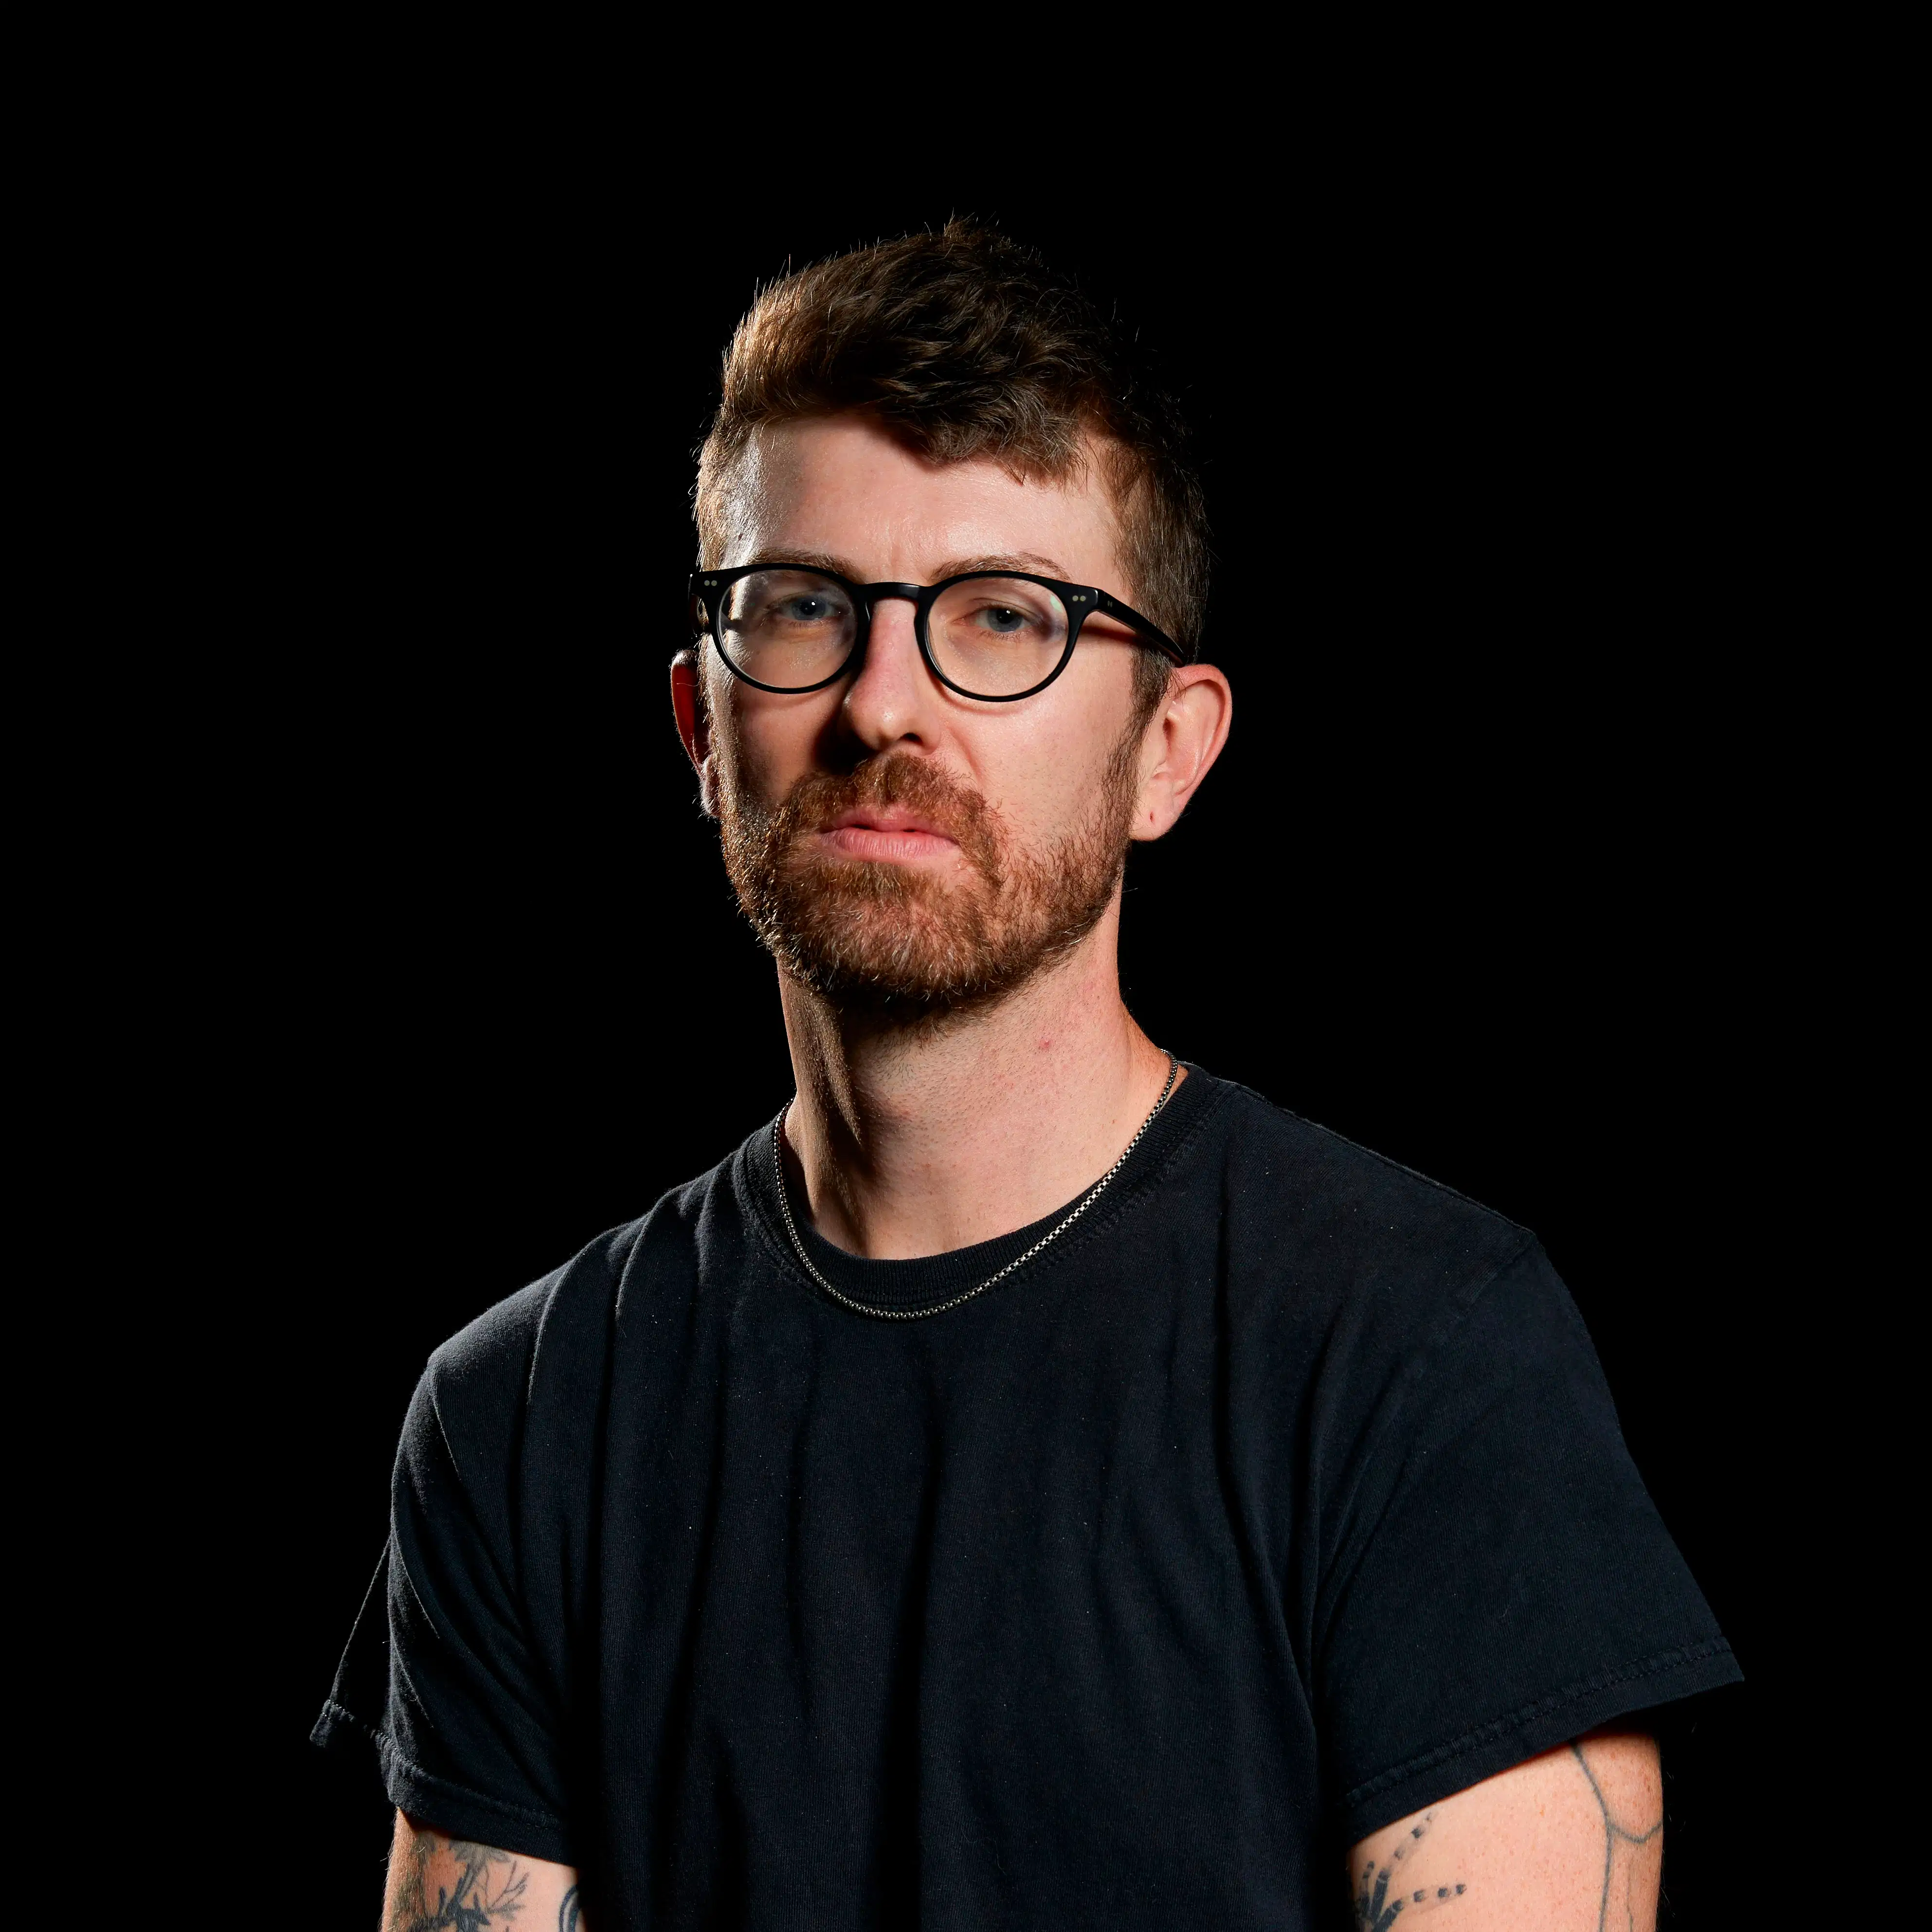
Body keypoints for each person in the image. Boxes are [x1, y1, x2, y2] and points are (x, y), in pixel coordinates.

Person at [315, 222, 1739, 1931]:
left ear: (1168, 750)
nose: (885, 705)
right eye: (806, 608)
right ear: (702, 726)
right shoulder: (522, 1417)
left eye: (1004, 619)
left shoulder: (1423, 1351)